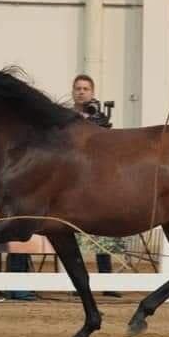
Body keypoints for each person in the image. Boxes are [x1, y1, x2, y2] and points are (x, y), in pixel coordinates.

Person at [71, 74, 121, 296]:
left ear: (92, 92)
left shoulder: (100, 115)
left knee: (106, 234)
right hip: (72, 180)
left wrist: (96, 118)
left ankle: (108, 283)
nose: (81, 91)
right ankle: (77, 285)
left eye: (85, 88)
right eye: (78, 88)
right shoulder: (65, 115)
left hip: (97, 179)